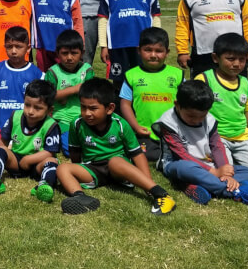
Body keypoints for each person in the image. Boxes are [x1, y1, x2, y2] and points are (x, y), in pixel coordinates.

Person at [57, 78, 176, 216]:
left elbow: (137, 154)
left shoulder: (120, 124)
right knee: (63, 168)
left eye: (93, 108)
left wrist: (148, 183)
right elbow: (75, 152)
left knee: (115, 161)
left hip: (119, 168)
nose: (87, 113)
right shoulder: (76, 124)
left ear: (110, 108)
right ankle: (80, 197)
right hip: (93, 169)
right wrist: (77, 171)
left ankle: (161, 194)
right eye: (83, 107)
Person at [152, 80, 248, 208]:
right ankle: (239, 191)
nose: (196, 121)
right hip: (176, 163)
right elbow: (182, 155)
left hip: (208, 165)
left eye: (202, 116)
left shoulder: (210, 120)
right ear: (177, 105)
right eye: (191, 116)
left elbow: (217, 146)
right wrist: (214, 172)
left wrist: (225, 172)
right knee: (185, 168)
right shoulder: (168, 122)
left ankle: (191, 185)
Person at [195, 33, 248, 176]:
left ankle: (234, 158)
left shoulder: (245, 83)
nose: (236, 64)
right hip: (216, 138)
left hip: (241, 138)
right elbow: (194, 114)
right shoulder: (204, 79)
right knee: (226, 171)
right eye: (230, 59)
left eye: (242, 59)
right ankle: (224, 158)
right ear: (215, 58)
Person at [0, 80, 60, 203]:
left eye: (38, 108)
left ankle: (44, 185)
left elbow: (49, 152)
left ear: (49, 110)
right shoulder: (15, 116)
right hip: (16, 162)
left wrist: (28, 160)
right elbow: (3, 142)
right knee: (0, 150)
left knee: (52, 161)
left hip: (37, 165)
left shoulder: (51, 125)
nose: (30, 111)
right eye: (27, 105)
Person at [98, 0, 160, 91]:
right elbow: (103, 20)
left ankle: (140, 111)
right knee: (120, 84)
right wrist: (104, 46)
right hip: (118, 45)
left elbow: (155, 17)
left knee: (143, 81)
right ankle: (120, 112)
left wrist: (156, 42)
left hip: (143, 46)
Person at [118, 27, 183, 163]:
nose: (153, 55)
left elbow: (186, 102)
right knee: (145, 156)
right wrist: (136, 127)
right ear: (139, 51)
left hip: (173, 131)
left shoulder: (177, 75)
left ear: (167, 53)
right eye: (148, 50)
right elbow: (125, 104)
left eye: (159, 51)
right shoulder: (132, 76)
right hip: (144, 132)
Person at [0, 26, 43, 144]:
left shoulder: (37, 74)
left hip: (25, 130)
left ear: (28, 48)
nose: (14, 51)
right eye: (9, 47)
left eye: (18, 46)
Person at [44, 29, 94, 157]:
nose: (69, 58)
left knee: (94, 142)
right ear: (58, 54)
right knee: (69, 150)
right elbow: (49, 96)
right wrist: (76, 89)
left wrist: (63, 94)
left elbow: (89, 94)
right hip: (62, 120)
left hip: (86, 118)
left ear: (82, 53)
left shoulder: (86, 70)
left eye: (74, 53)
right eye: (65, 53)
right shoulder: (53, 72)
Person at [29, 0, 83, 71]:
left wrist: (80, 45)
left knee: (66, 78)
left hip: (65, 48)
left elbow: (77, 23)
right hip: (42, 47)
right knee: (45, 79)